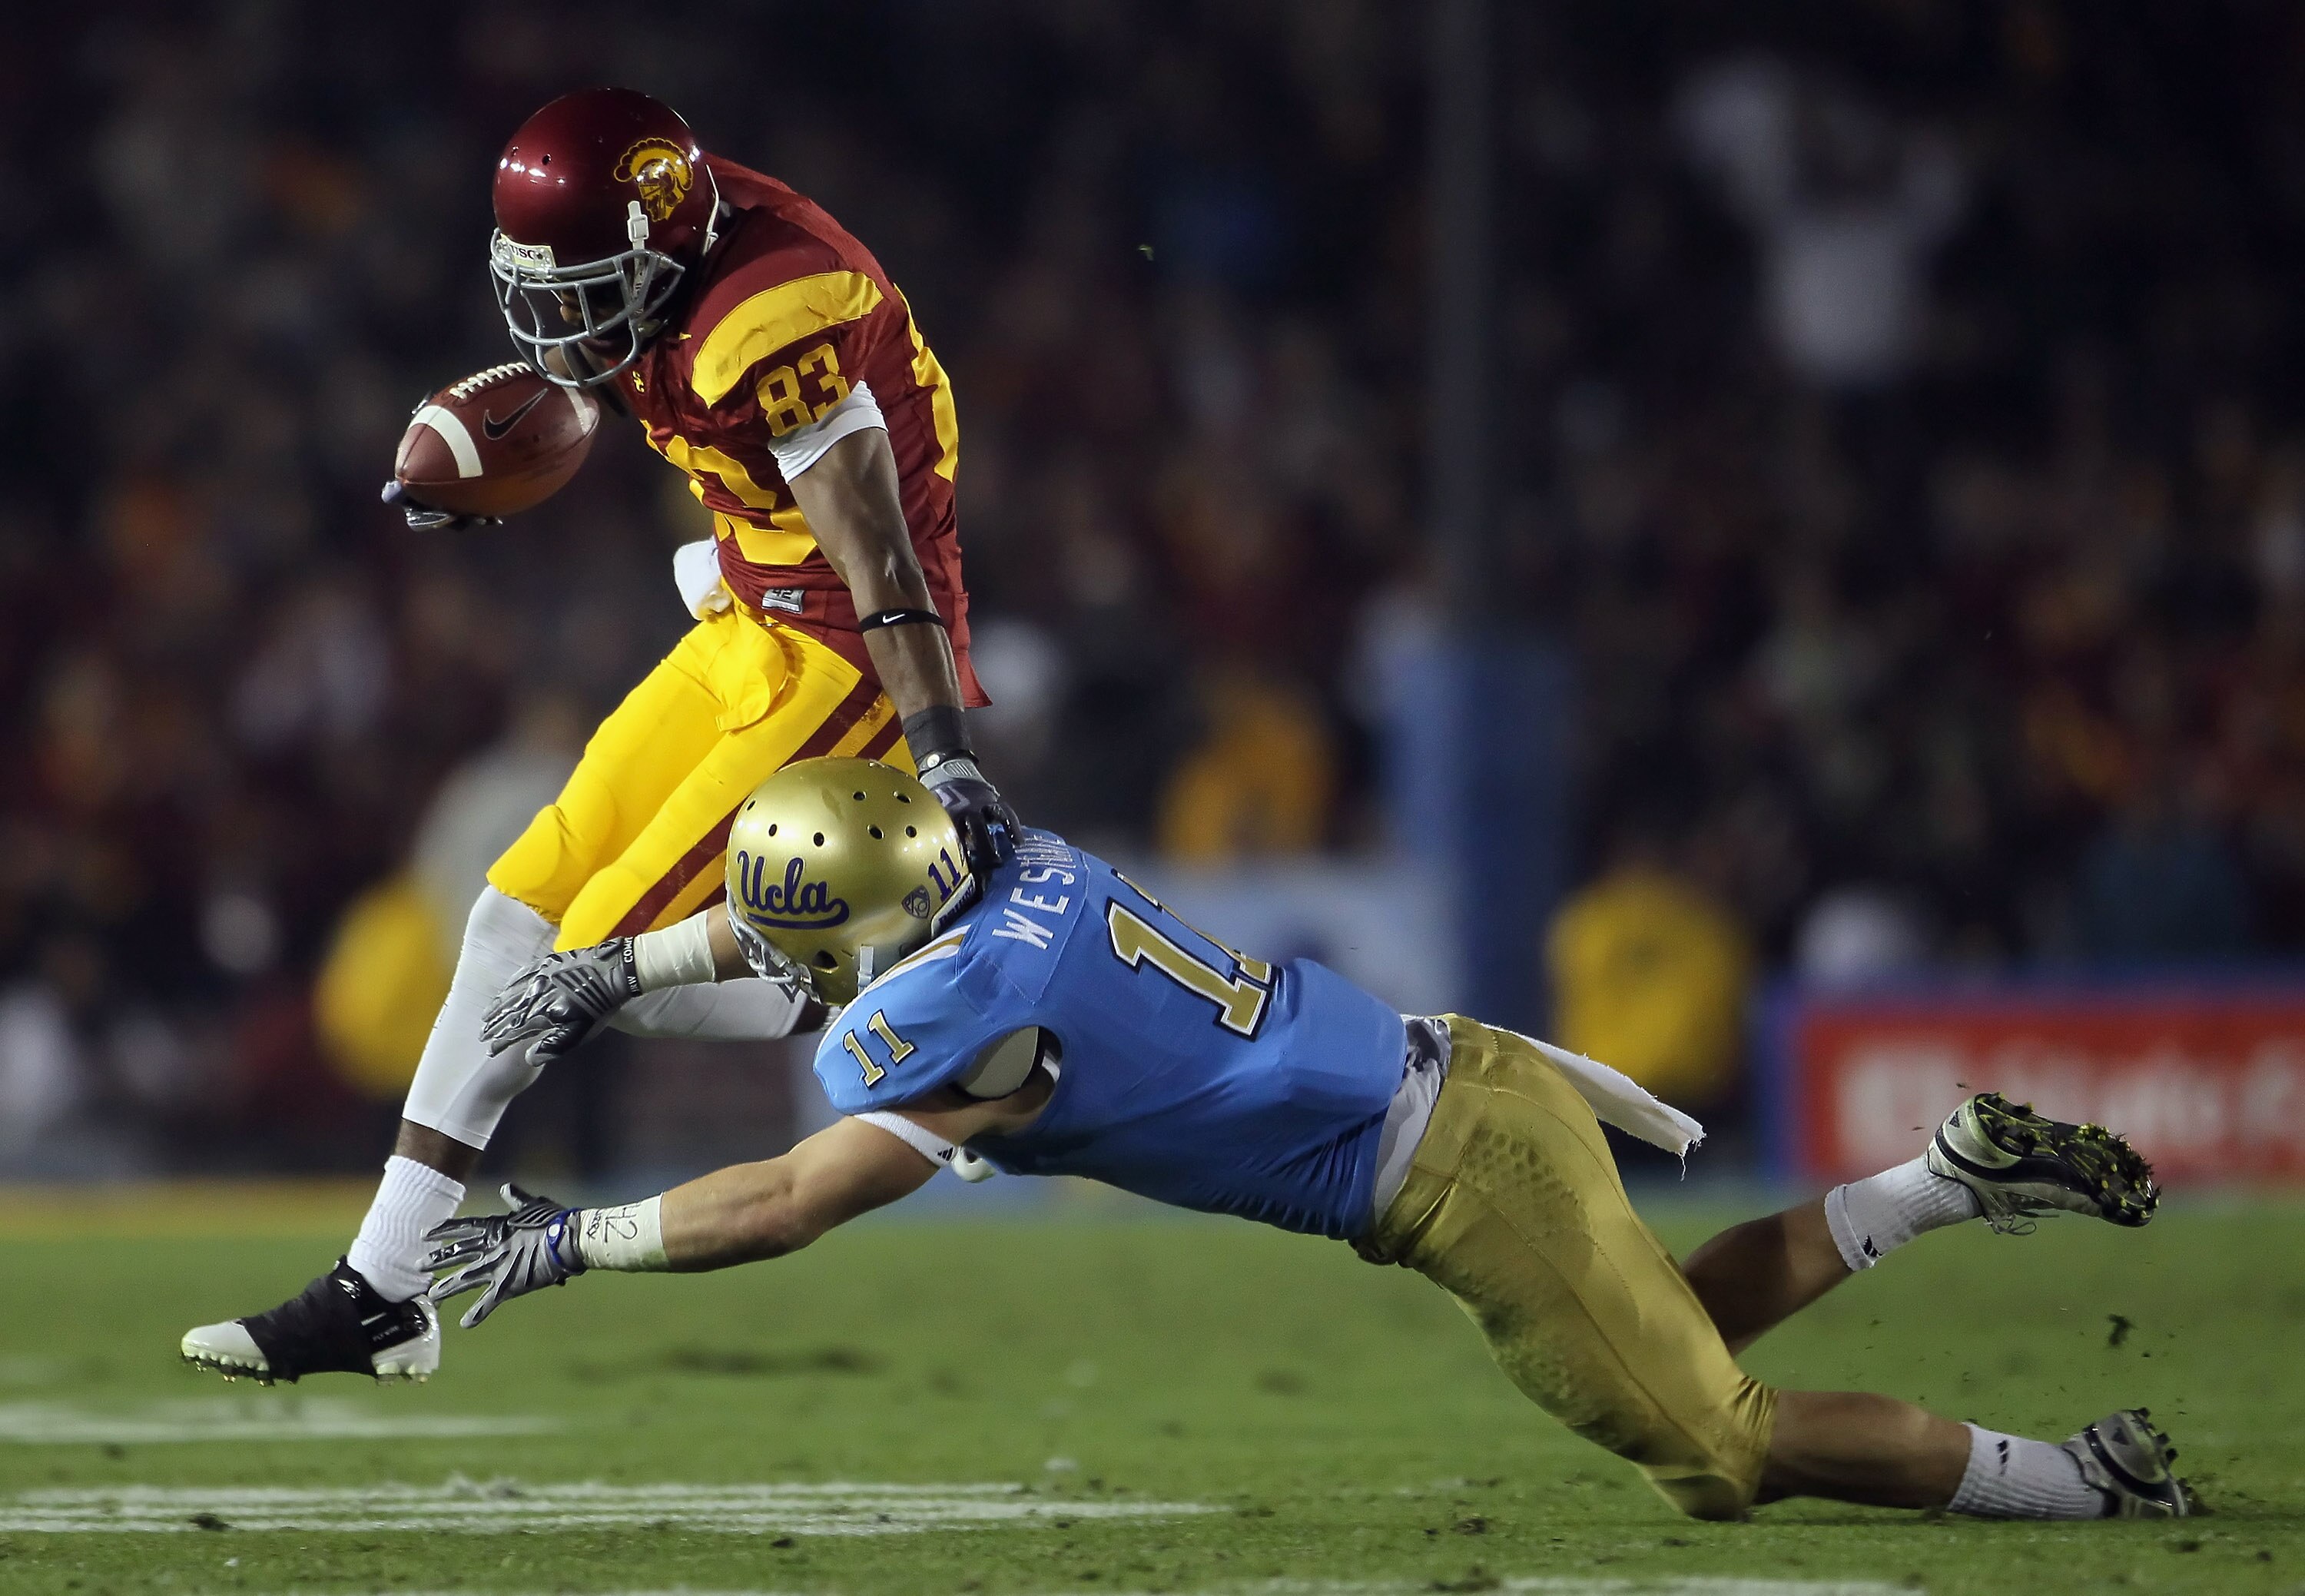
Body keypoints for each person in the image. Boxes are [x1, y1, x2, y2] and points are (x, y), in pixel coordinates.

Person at [423, 758, 2183, 1523]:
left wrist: (571, 1239)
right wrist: (616, 971)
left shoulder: (932, 1016)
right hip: (1461, 1071)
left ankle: (2078, 1479)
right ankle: (1943, 1179)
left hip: (1451, 1177)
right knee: (1665, 1329)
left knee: (1717, 1450)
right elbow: (842, 893)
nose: (774, 957)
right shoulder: (1003, 855)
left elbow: (792, 1200)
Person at [181, 87, 1019, 1385]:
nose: (555, 321)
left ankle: (912, 972)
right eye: (541, 289)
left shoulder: (769, 315)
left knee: (596, 966)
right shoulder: (661, 241)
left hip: (845, 639)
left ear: (663, 247)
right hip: (751, 606)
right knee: (510, 917)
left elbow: (884, 560)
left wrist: (945, 752)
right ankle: (380, 1289)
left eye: (581, 290)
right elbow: (616, 375)